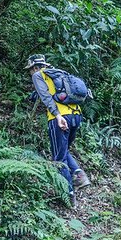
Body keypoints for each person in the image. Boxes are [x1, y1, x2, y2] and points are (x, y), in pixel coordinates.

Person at [25, 54, 91, 204]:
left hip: (60, 119)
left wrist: (57, 115)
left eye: (30, 69)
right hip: (76, 116)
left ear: (35, 67)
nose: (30, 73)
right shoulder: (58, 73)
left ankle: (68, 194)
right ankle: (79, 175)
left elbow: (47, 98)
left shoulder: (38, 75)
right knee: (63, 151)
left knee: (58, 158)